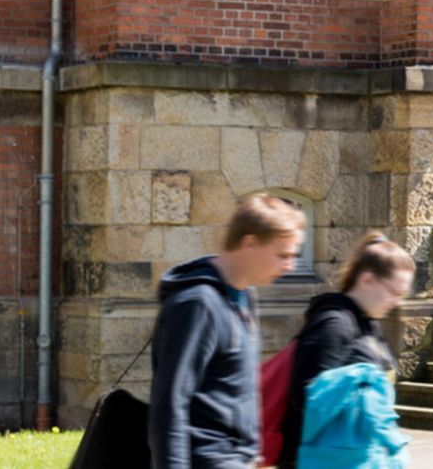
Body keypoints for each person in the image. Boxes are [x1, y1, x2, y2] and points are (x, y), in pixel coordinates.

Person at [150, 192, 308, 469]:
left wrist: (252, 449)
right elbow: (169, 404)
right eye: (283, 254)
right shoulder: (198, 304)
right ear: (250, 244)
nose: (290, 265)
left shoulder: (245, 295)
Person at [280, 233, 415, 469]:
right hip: (321, 459)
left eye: (402, 295)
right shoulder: (333, 323)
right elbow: (305, 397)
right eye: (394, 292)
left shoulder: (368, 323)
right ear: (367, 280)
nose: (398, 302)